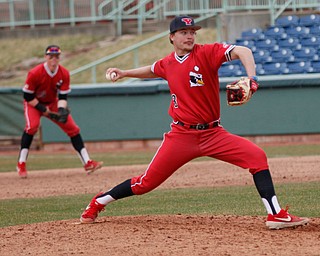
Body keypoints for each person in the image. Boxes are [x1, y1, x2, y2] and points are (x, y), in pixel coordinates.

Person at [80, 16, 309, 229]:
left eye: (192, 32)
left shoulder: (207, 53)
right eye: (183, 32)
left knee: (257, 157)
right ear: (172, 37)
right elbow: (151, 70)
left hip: (213, 134)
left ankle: (275, 214)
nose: (189, 36)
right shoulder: (167, 63)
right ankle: (100, 200)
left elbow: (243, 51)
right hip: (181, 136)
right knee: (146, 183)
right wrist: (124, 73)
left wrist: (252, 78)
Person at [16, 45, 103, 178]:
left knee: (73, 129)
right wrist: (44, 111)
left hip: (52, 102)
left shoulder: (64, 73)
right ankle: (21, 163)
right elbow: (27, 96)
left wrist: (61, 110)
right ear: (46, 57)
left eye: (56, 56)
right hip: (33, 103)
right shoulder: (35, 73)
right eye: (51, 56)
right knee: (32, 127)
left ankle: (88, 163)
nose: (54, 59)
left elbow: (62, 96)